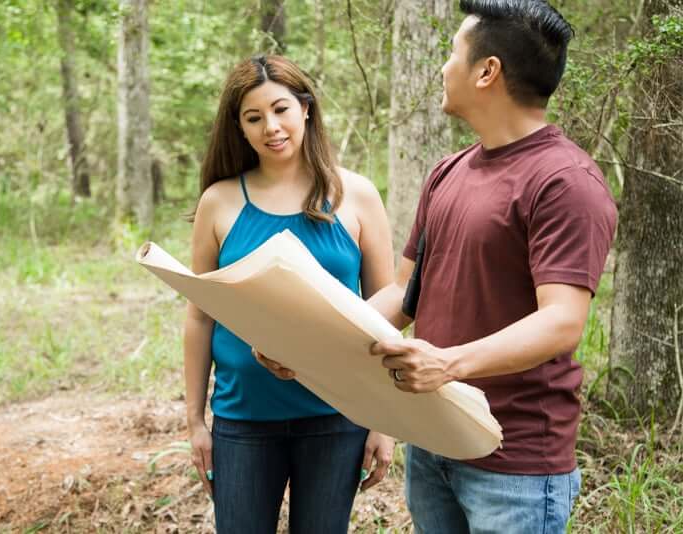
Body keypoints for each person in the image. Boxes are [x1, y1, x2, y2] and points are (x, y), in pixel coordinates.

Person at [257, 1, 617, 532]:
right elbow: (405, 294)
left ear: (487, 71)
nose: (443, 67)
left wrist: (447, 364)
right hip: (432, 442)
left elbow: (561, 322)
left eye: (452, 53)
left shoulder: (565, 182)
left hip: (514, 463)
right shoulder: (447, 173)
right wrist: (309, 346)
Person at [185, 55, 396, 533]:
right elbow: (199, 318)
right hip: (243, 419)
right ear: (238, 128)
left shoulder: (357, 196)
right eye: (253, 118)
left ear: (306, 108)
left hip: (337, 414)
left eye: (281, 110)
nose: (271, 128)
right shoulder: (219, 201)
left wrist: (383, 423)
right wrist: (195, 423)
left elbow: (386, 315)